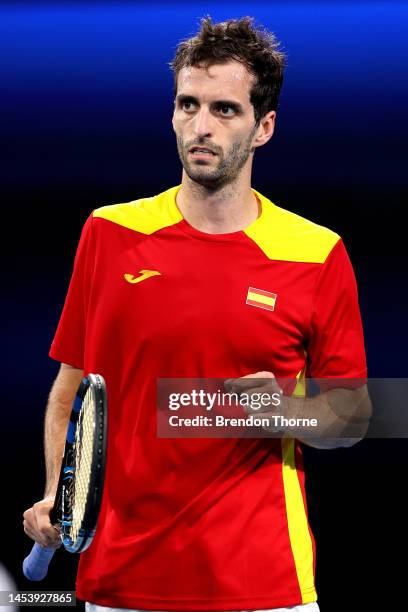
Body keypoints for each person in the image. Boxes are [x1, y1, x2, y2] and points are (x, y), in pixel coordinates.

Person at [23, 15, 371, 612]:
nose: (200, 126)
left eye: (225, 110)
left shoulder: (317, 252)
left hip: (264, 586)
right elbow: (71, 390)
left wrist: (286, 412)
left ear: (264, 127)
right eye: (188, 105)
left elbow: (354, 415)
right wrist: (64, 491)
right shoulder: (109, 232)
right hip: (120, 582)